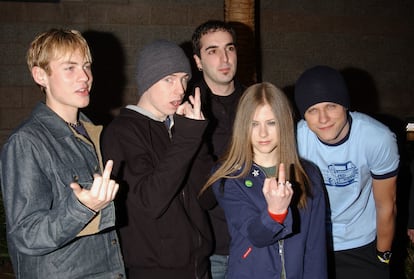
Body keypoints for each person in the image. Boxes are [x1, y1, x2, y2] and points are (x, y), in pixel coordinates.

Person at [0, 29, 125, 278]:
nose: (85, 77)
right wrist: (82, 207)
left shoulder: (92, 132)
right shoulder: (27, 142)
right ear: (40, 76)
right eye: (70, 68)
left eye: (86, 66)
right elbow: (26, 234)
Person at [101, 39, 212, 279]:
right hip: (154, 271)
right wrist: (186, 139)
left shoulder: (179, 128)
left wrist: (195, 136)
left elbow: (208, 197)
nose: (180, 89)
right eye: (169, 79)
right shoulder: (122, 132)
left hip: (199, 267)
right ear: (147, 81)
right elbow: (150, 202)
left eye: (184, 78)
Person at [201, 82, 328, 279]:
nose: (262, 133)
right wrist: (275, 213)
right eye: (254, 124)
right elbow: (256, 235)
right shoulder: (229, 177)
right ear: (243, 126)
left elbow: (315, 249)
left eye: (271, 122)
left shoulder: (308, 174)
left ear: (284, 123)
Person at [294, 65, 399, 279]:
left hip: (362, 243)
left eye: (331, 106)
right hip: (313, 240)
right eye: (313, 110)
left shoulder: (376, 137)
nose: (323, 119)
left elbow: (386, 205)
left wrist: (383, 255)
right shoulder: (295, 139)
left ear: (345, 105)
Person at [189, 19, 245, 279]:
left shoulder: (255, 102)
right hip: (209, 247)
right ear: (198, 61)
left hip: (255, 238)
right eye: (212, 51)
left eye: (229, 48)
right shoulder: (185, 108)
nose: (224, 58)